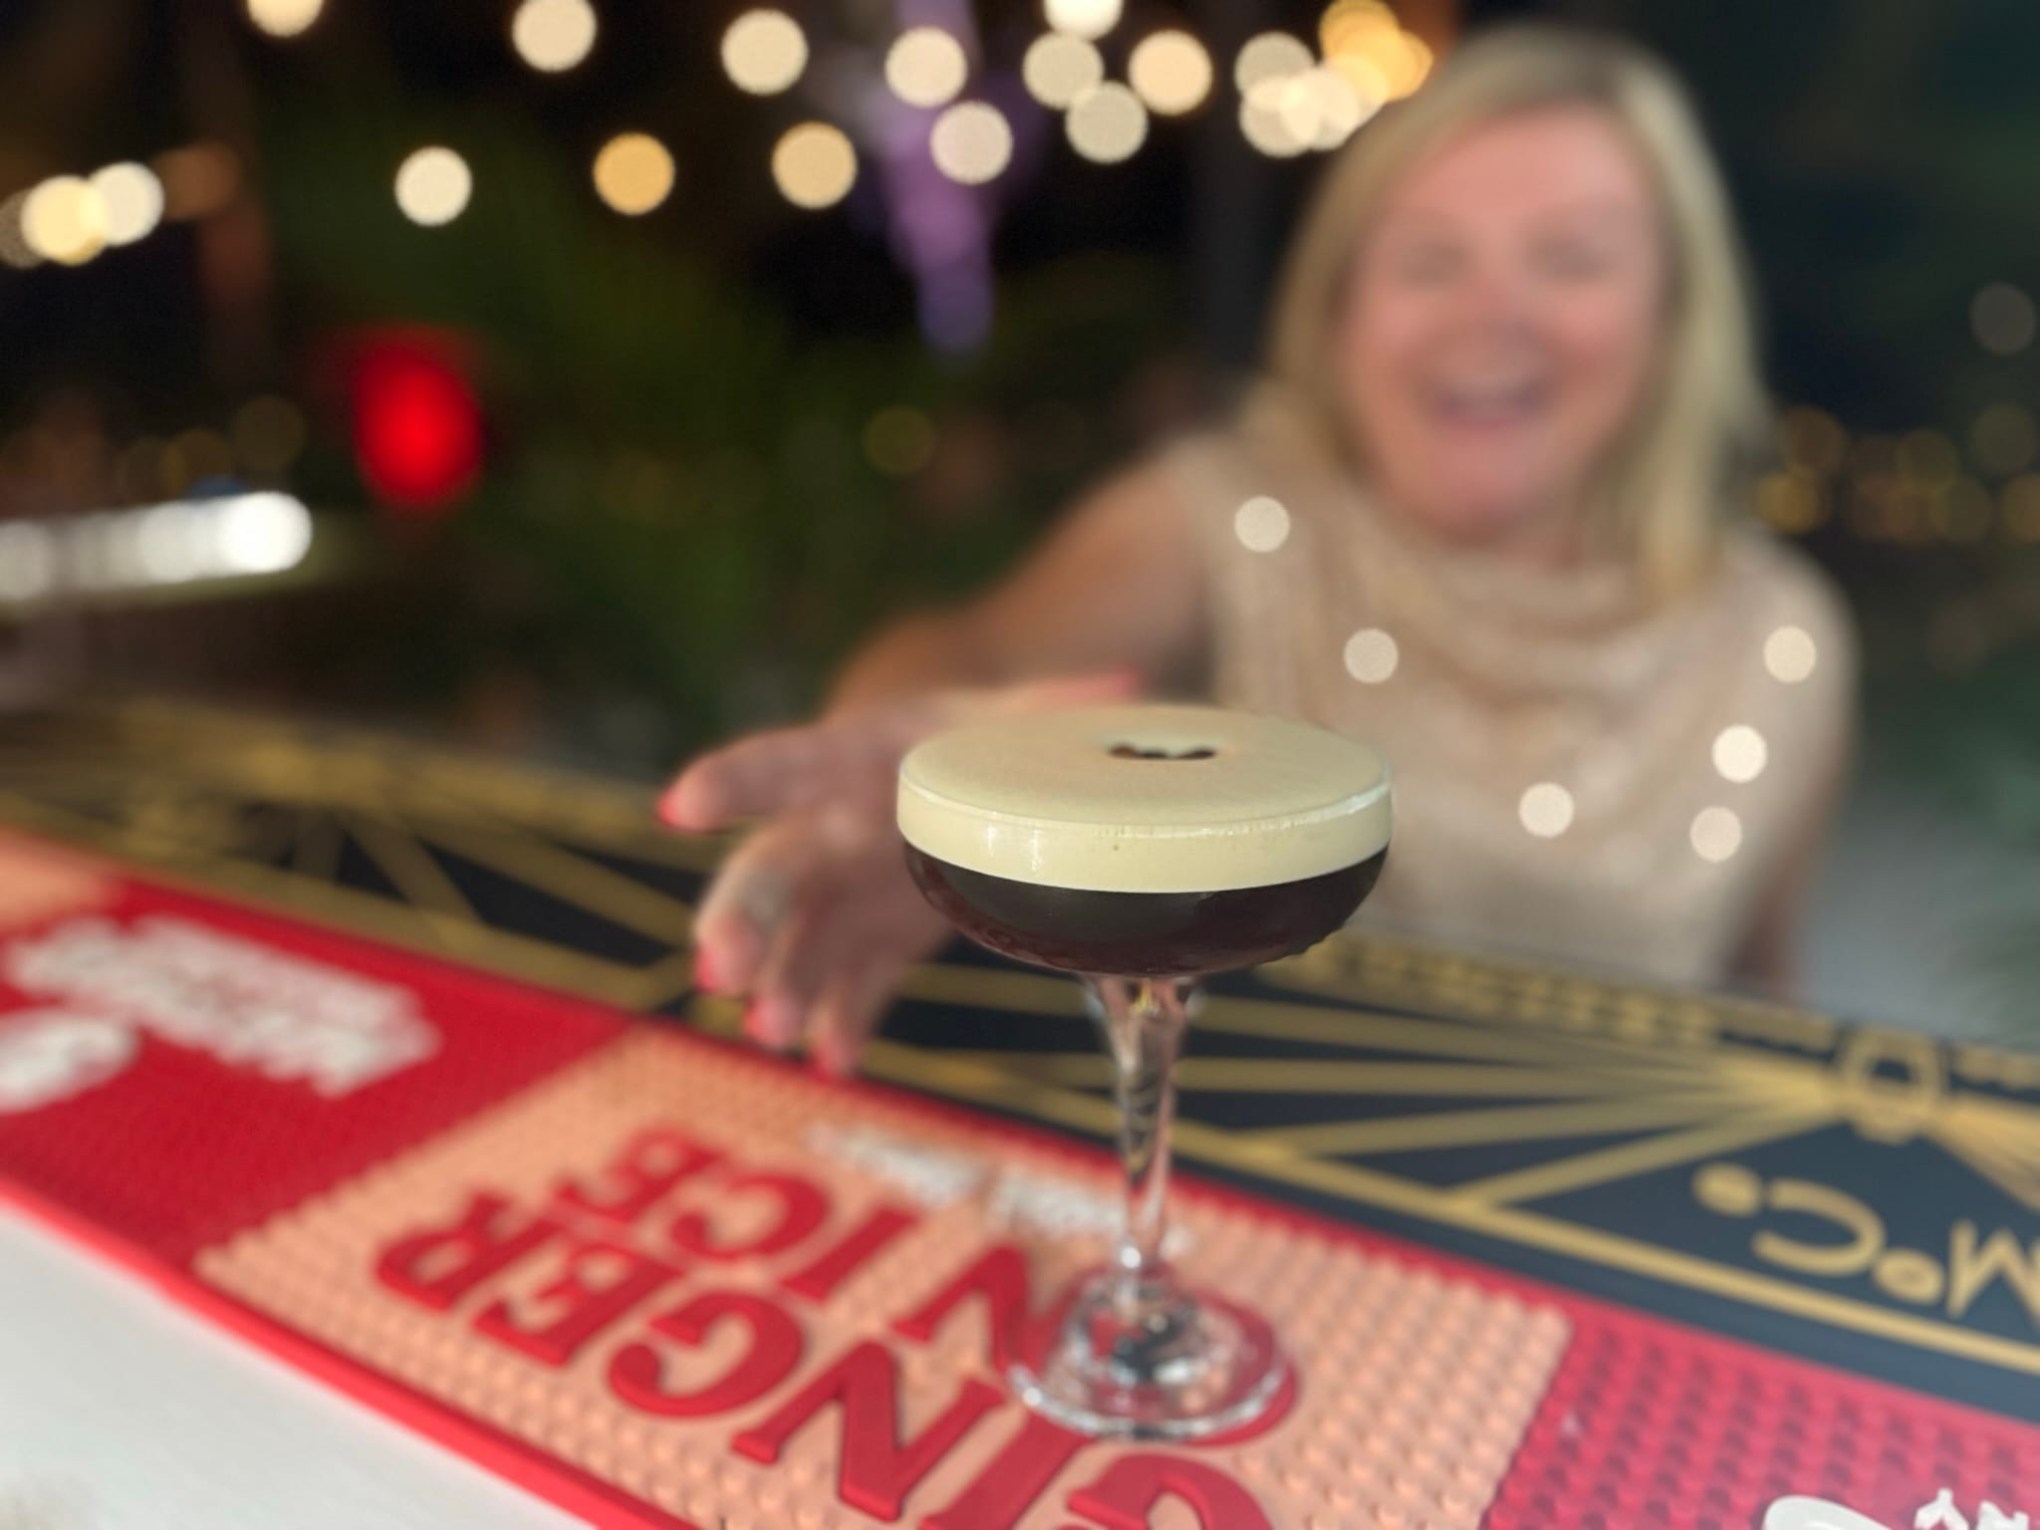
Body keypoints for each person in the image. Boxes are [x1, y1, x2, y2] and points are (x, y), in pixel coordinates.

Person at [659, 24, 1857, 1076]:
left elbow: (1758, 1002)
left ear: (1674, 317)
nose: (1493, 312)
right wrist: (917, 778)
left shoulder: (1781, 637)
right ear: (1340, 314)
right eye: (1430, 259)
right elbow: (969, 647)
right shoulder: (1237, 518)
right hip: (1268, 1197)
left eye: (1573, 258)